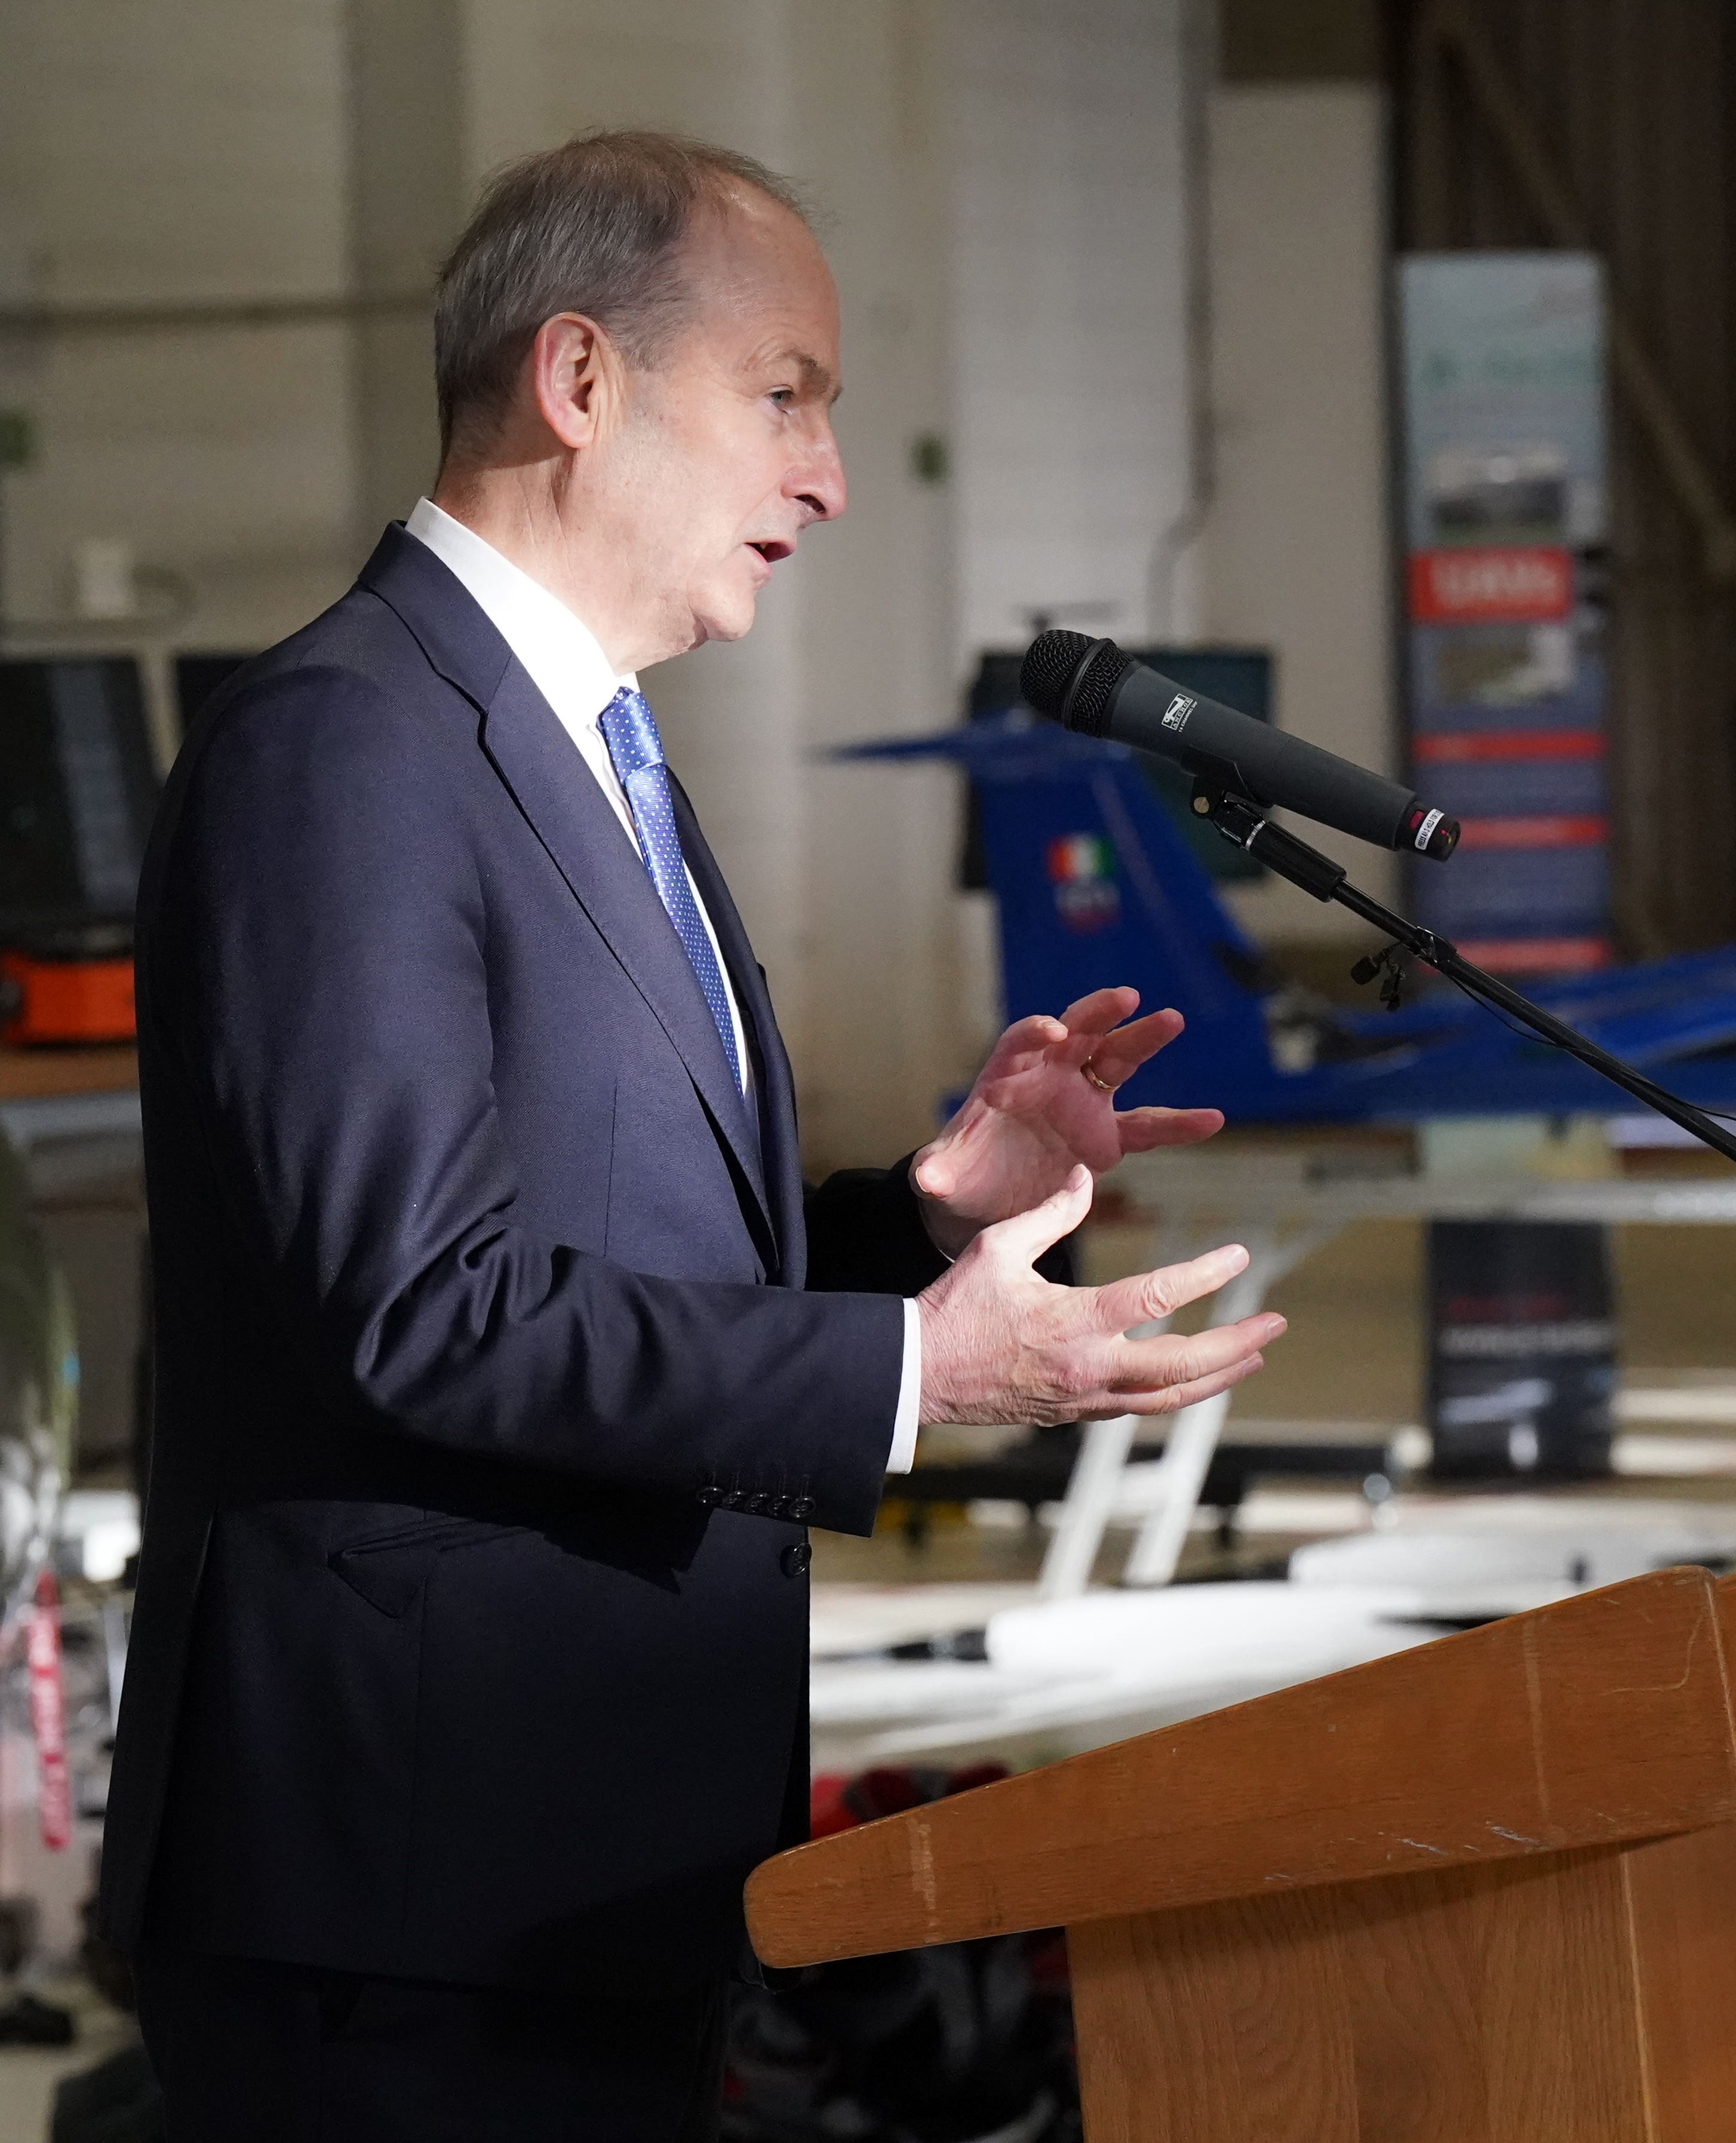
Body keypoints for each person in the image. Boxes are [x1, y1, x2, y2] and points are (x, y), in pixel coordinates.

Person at [103, 129, 1280, 2139]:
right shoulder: (346, 746)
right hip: (403, 1896)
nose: (828, 475)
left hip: (586, 1858)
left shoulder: (593, 752)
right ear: (580, 380)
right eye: (785, 394)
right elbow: (422, 1307)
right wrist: (915, 1369)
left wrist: (921, 1218)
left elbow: (618, 1253)